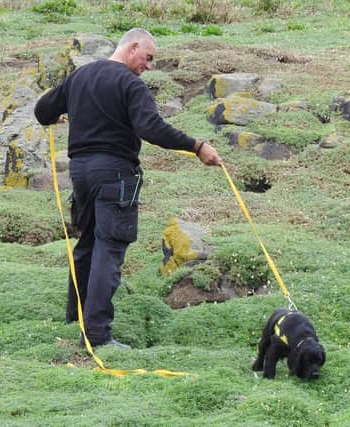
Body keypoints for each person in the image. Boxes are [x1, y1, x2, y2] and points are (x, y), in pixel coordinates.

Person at [34, 28, 222, 349]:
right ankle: (96, 336)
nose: (148, 65)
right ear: (132, 47)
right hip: (114, 174)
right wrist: (197, 146)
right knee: (109, 248)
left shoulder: (80, 76)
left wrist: (68, 112)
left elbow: (42, 111)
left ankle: (75, 318)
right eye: (148, 58)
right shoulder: (129, 84)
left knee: (88, 244)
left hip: (80, 173)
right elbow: (151, 127)